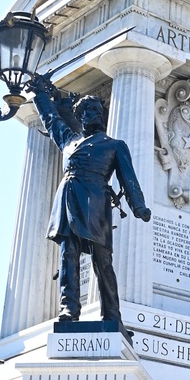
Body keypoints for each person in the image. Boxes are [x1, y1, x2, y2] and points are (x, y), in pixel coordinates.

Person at [30, 76, 151, 327]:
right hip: (68, 199)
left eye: (97, 110)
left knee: (102, 260)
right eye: (89, 110)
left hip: (95, 202)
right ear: (81, 116)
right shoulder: (69, 141)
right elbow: (52, 121)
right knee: (68, 255)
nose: (94, 114)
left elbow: (129, 178)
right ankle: (69, 308)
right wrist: (40, 95)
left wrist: (138, 206)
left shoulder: (114, 145)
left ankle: (112, 315)